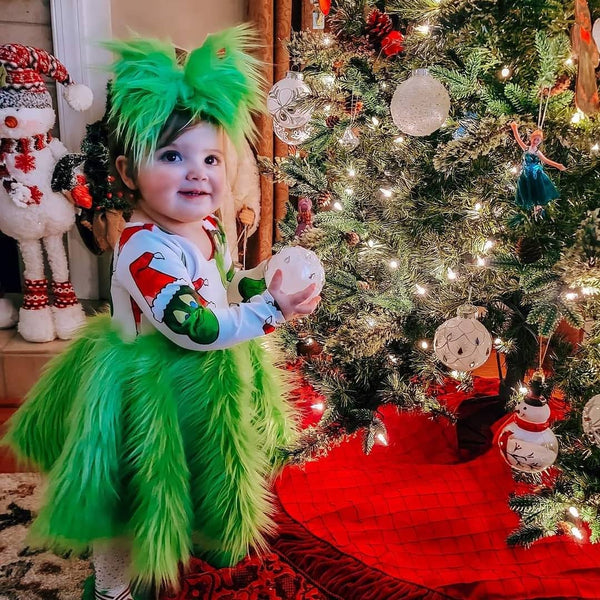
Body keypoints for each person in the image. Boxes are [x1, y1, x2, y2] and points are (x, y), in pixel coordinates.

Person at [4, 27, 320, 600]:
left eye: (210, 157)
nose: (197, 171)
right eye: (171, 156)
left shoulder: (207, 225)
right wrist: (270, 308)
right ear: (127, 174)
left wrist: (259, 281)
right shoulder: (144, 248)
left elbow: (221, 284)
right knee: (126, 486)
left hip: (200, 376)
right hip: (146, 380)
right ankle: (113, 584)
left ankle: (185, 535)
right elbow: (193, 324)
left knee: (200, 462)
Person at [510, 122, 567, 216]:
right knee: (528, 188)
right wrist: (514, 128)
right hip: (526, 173)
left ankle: (539, 207)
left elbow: (546, 160)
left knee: (537, 187)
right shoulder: (526, 148)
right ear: (531, 138)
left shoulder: (537, 152)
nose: (535, 141)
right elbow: (518, 139)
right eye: (535, 139)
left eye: (538, 140)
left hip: (535, 172)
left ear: (540, 142)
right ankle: (535, 208)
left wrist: (558, 165)